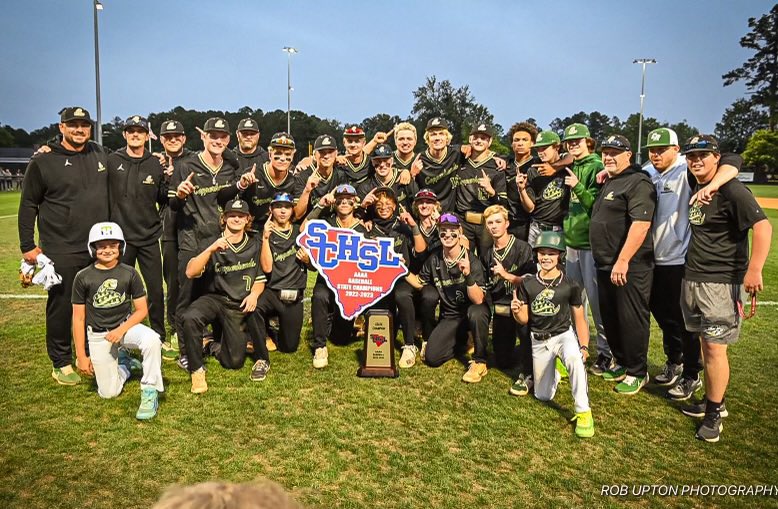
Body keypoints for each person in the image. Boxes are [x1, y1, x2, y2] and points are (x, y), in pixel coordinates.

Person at [678, 135, 771, 442]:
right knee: (706, 345)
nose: (696, 161)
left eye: (704, 155)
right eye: (692, 156)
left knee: (716, 349)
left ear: (717, 158)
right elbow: (729, 160)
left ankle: (714, 413)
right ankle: (713, 399)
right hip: (693, 277)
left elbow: (763, 226)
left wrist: (754, 269)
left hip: (721, 282)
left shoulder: (732, 189)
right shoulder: (696, 183)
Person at [643, 127, 741, 400]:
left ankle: (691, 373)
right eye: (652, 149)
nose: (656, 154)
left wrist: (713, 185)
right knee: (662, 316)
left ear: (676, 150)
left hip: (679, 257)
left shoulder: (685, 171)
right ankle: (674, 360)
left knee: (684, 321)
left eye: (662, 149)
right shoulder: (648, 171)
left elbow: (733, 160)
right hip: (653, 257)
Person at [18, 106, 110, 385]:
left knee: (97, 304)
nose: (79, 129)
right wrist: (27, 246)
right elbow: (28, 204)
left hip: (96, 246)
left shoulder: (98, 153)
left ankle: (93, 351)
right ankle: (60, 361)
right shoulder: (43, 161)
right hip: (61, 246)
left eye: (84, 125)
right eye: (73, 125)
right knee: (62, 305)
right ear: (61, 128)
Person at [72, 222, 163, 419]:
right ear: (93, 248)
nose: (107, 250)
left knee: (152, 340)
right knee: (108, 393)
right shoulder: (83, 277)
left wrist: (121, 330)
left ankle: (149, 391)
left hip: (125, 327)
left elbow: (141, 310)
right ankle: (124, 365)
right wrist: (81, 355)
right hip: (99, 334)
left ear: (120, 247)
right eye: (102, 246)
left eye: (113, 245)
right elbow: (78, 318)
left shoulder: (129, 272)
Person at [169, 117, 239, 370]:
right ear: (203, 137)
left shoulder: (230, 166)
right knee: (186, 297)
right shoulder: (186, 164)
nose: (217, 140)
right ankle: (186, 352)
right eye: (212, 136)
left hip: (218, 240)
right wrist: (179, 194)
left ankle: (218, 342)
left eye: (222, 137)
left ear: (228, 140)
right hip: (191, 240)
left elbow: (230, 192)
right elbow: (173, 205)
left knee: (218, 293)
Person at [590, 135, 656, 395]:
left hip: (630, 265)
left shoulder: (637, 182)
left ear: (628, 154)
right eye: (605, 152)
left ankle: (638, 371)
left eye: (615, 152)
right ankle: (622, 362)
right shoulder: (611, 180)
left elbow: (641, 225)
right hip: (605, 263)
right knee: (611, 317)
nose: (608, 157)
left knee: (631, 319)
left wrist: (624, 259)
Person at [511, 231, 594, 438]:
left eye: (551, 253)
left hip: (563, 335)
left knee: (575, 360)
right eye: (542, 253)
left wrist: (583, 346)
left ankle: (584, 412)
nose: (546, 258)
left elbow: (580, 318)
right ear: (536, 255)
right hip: (539, 339)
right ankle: (556, 371)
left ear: (560, 256)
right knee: (543, 395)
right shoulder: (528, 284)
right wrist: (516, 311)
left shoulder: (569, 284)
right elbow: (524, 320)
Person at [182, 198, 269, 392]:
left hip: (237, 304)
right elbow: (190, 271)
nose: (236, 219)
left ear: (248, 219)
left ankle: (211, 345)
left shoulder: (254, 244)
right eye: (232, 215)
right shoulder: (211, 241)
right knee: (190, 317)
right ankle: (197, 370)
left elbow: (261, 278)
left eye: (240, 216)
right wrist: (211, 249)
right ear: (224, 218)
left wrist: (254, 295)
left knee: (234, 362)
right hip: (215, 298)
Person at [107, 115, 168, 343]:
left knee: (154, 290)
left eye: (140, 131)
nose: (135, 134)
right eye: (131, 131)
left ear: (146, 135)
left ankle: (159, 334)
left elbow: (162, 196)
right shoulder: (112, 160)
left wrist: (169, 181)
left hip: (149, 236)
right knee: (119, 290)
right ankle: (119, 334)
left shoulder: (155, 162)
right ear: (124, 134)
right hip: (121, 239)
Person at [560, 123, 612, 375]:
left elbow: (596, 206)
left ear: (588, 142)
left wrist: (578, 186)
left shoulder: (595, 166)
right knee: (575, 301)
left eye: (577, 141)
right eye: (569, 142)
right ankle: (579, 347)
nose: (573, 145)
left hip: (590, 245)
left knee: (596, 301)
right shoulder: (574, 165)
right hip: (571, 242)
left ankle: (606, 353)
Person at [418, 213, 491, 383]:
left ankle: (480, 361)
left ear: (460, 233)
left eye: (452, 232)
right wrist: (399, 269)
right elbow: (419, 281)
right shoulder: (435, 258)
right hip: (451, 317)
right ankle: (462, 340)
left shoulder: (471, 260)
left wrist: (468, 275)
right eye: (443, 232)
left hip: (473, 312)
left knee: (476, 312)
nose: (448, 236)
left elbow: (479, 299)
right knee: (432, 358)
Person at [304, 184, 368, 368]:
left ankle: (332, 320)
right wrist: (320, 205)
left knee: (341, 338)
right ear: (335, 202)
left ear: (355, 202)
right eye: (340, 200)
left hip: (348, 283)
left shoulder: (362, 229)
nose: (344, 203)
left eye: (349, 199)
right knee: (319, 296)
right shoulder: (327, 223)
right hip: (327, 279)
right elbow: (304, 229)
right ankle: (319, 346)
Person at [366, 187, 426, 367]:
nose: (383, 207)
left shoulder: (402, 226)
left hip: (401, 278)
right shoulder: (368, 228)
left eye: (388, 203)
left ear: (394, 206)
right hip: (377, 279)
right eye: (379, 203)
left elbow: (421, 251)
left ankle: (409, 344)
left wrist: (413, 226)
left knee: (402, 295)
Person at [481, 205, 535, 395]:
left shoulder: (522, 247)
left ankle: (530, 372)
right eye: (490, 223)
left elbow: (531, 280)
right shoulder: (487, 253)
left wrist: (507, 275)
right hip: (501, 307)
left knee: (524, 327)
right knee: (503, 361)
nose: (494, 226)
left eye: (498, 222)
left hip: (521, 302)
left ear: (507, 223)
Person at [256, 193, 308, 353]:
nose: (283, 211)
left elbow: (313, 267)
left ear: (292, 210)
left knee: (289, 347)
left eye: (287, 207)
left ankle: (277, 328)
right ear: (271, 210)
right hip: (272, 292)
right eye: (278, 207)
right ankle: (263, 335)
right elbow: (267, 268)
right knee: (255, 307)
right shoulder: (264, 235)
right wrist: (265, 238)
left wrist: (307, 260)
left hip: (294, 294)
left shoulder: (300, 233)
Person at [158, 119, 191, 360]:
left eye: (177, 136)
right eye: (168, 137)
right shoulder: (155, 163)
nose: (173, 140)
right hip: (169, 229)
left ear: (184, 138)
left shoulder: (194, 159)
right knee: (173, 282)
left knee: (196, 278)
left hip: (193, 227)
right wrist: (166, 179)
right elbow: (158, 197)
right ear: (161, 140)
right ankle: (174, 329)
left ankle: (198, 326)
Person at [219, 132, 297, 228]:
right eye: (278, 153)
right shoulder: (253, 174)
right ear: (269, 154)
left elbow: (297, 214)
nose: (282, 158)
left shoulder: (293, 180)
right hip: (251, 230)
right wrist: (241, 185)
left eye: (287, 154)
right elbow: (223, 198)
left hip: (277, 230)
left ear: (293, 156)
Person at [452, 123, 508, 259]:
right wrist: (460, 147)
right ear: (470, 139)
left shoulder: (496, 166)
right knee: (464, 259)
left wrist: (491, 191)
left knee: (488, 260)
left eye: (483, 138)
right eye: (476, 137)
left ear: (490, 142)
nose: (479, 141)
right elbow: (446, 150)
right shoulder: (460, 161)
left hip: (487, 222)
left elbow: (503, 202)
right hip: (464, 220)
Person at [519, 131, 570, 246]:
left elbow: (573, 156)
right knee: (533, 263)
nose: (541, 152)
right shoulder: (533, 170)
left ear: (557, 147)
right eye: (538, 149)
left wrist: (554, 168)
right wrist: (521, 190)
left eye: (544, 148)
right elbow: (530, 208)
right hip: (536, 227)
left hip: (559, 228)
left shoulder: (567, 166)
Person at [293, 134, 348, 221]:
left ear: (336, 153)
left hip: (332, 224)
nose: (326, 156)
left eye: (330, 152)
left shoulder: (341, 174)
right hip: (307, 225)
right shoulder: (303, 175)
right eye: (322, 152)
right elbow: (297, 215)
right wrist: (307, 190)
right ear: (314, 155)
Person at [357, 144, 418, 213]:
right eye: (378, 160)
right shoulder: (365, 187)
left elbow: (417, 207)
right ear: (372, 162)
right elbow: (357, 217)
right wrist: (363, 206)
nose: (382, 164)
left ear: (392, 161)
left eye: (386, 160)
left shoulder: (405, 179)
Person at [505, 122, 538, 241]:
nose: (520, 143)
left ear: (532, 143)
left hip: (529, 223)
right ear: (512, 143)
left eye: (525, 140)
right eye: (516, 140)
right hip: (506, 223)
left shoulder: (538, 165)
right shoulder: (505, 163)